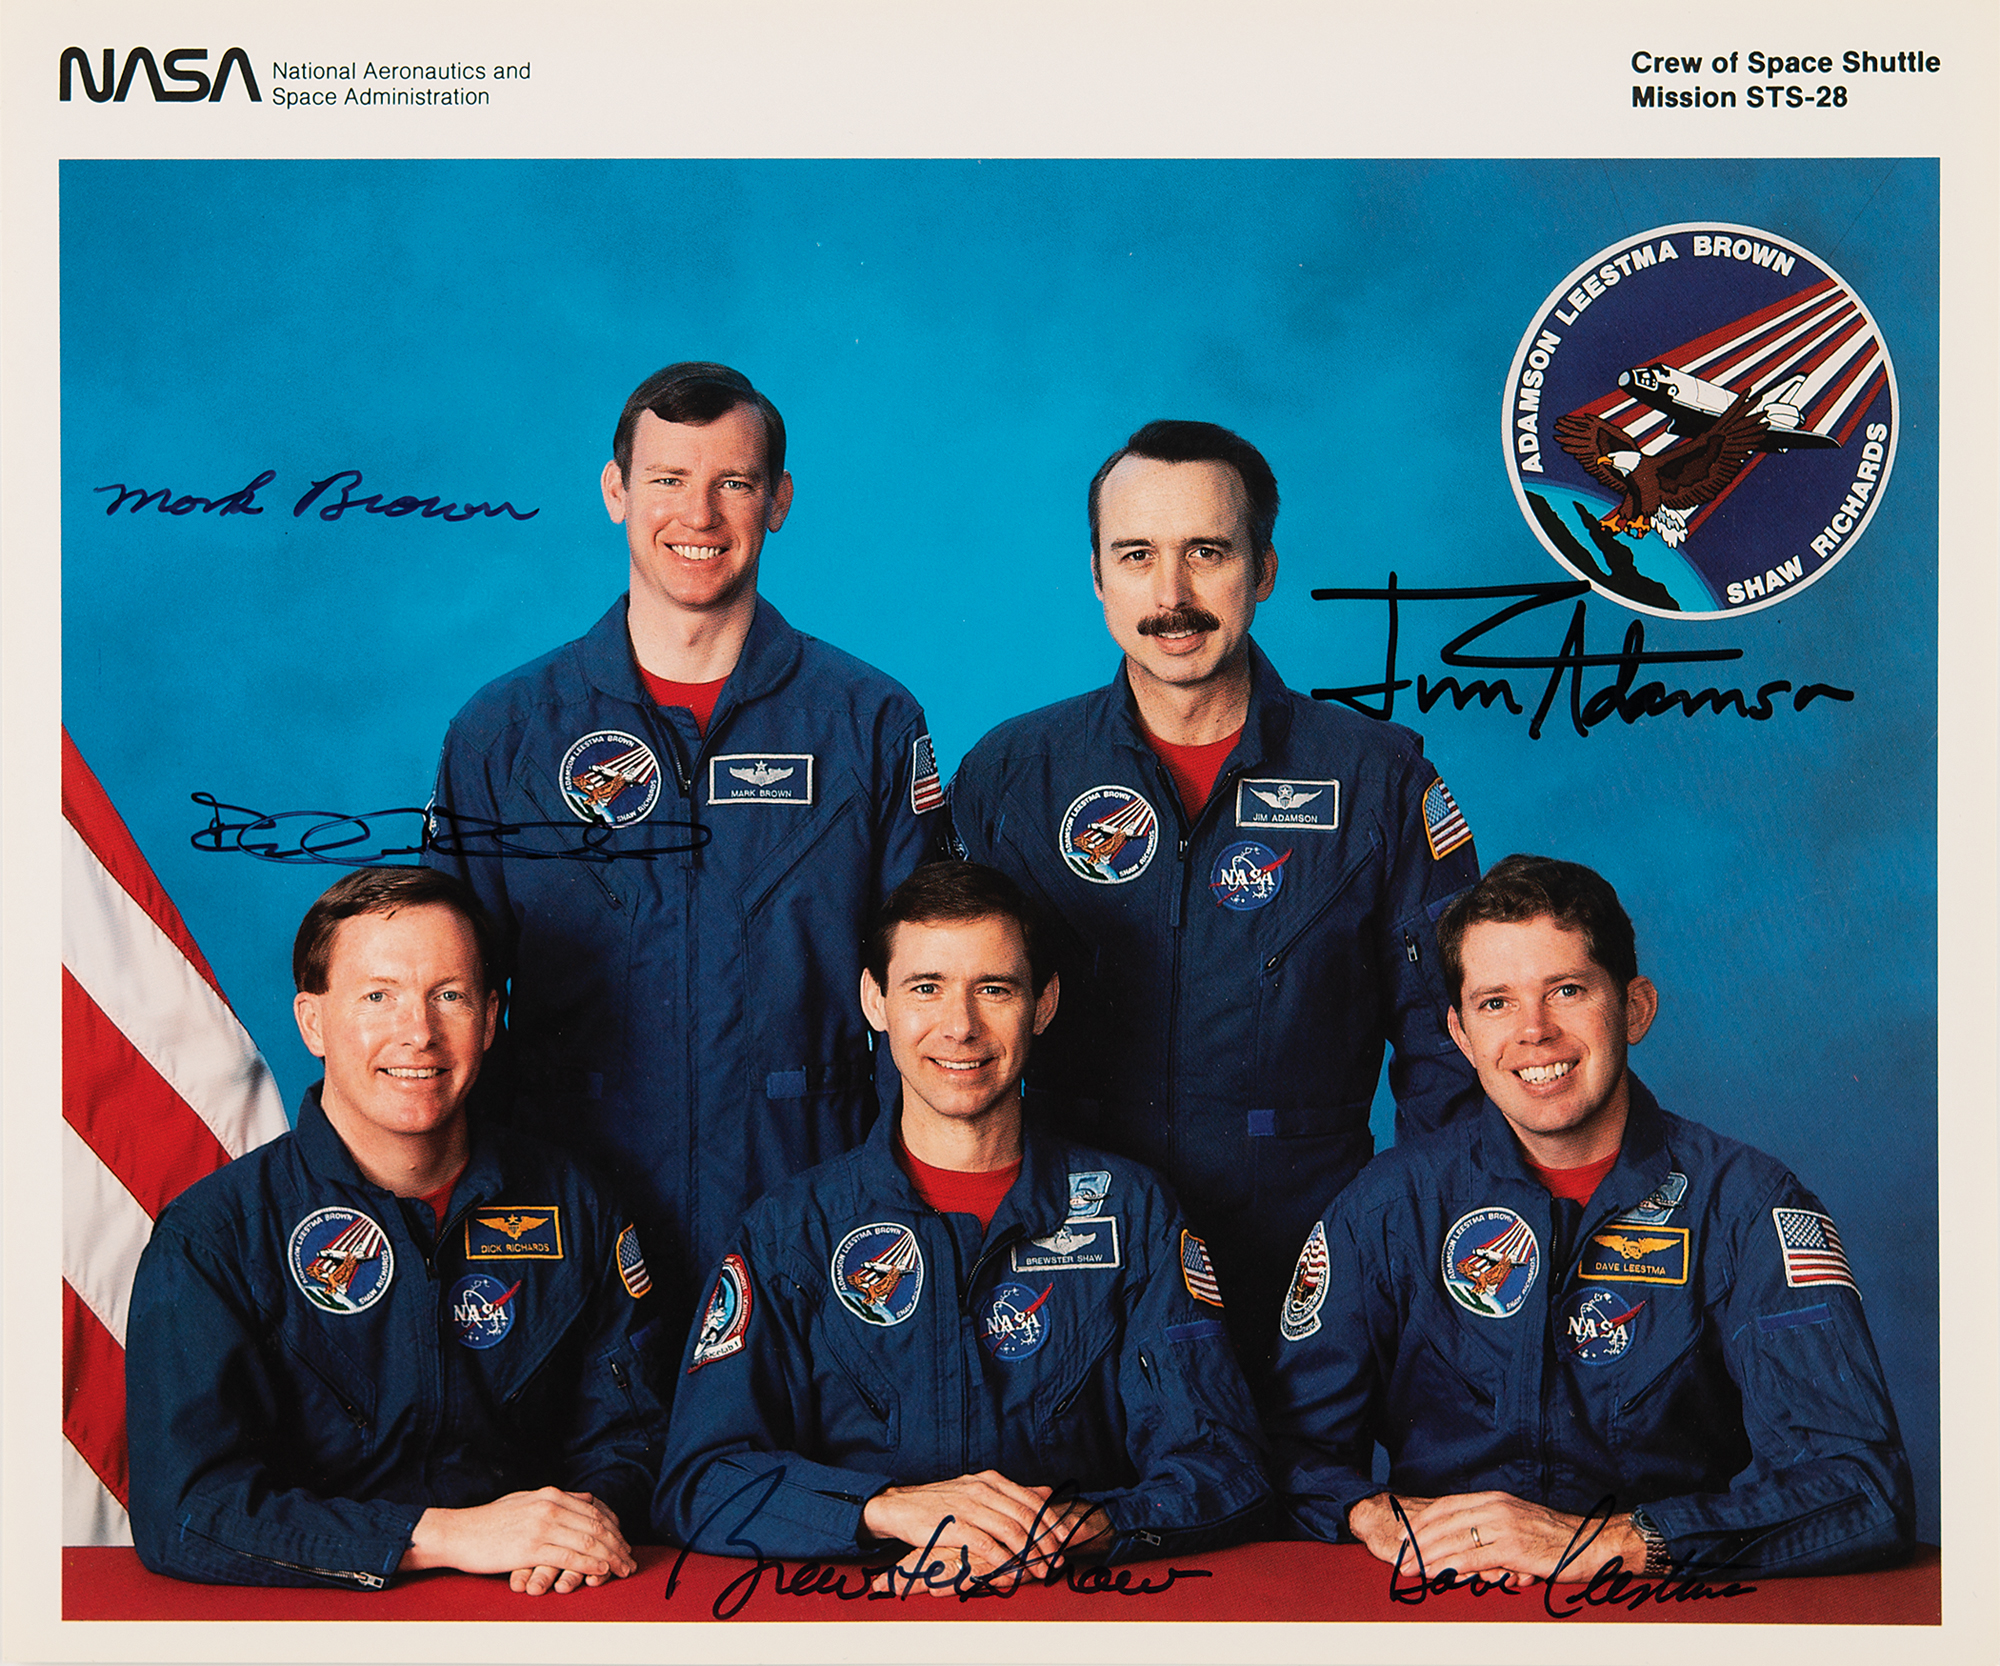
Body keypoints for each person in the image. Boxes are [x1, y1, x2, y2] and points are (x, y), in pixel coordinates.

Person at [948, 419, 1481, 1357]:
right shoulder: (1013, 776)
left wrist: (1411, 1260)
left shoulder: (1378, 782)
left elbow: (1453, 1051)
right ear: (1097, 576)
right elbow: (934, 1033)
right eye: (1137, 555)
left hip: (1310, 1274)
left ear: (1263, 569)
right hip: (1066, 1277)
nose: (1172, 596)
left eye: (1207, 552)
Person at [424, 362, 940, 1318]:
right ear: (615, 490)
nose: (698, 515)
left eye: (733, 483)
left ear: (778, 501)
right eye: (667, 479)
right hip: (564, 1229)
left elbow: (927, 993)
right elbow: (444, 997)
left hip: (807, 1216)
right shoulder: (507, 734)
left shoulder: (867, 723)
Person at [1264, 854, 1914, 1580]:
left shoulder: (1747, 1210)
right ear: (1460, 1035)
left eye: (1566, 991)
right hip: (1443, 1601)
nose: (1534, 1032)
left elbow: (1860, 1490)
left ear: (1634, 1009)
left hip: (1659, 1605)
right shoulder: (1388, 1210)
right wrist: (1369, 1514)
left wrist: (1611, 1542)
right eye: (1496, 1003)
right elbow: (1284, 1452)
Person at [654, 863, 1270, 1583]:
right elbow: (701, 1481)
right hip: (866, 1614)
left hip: (1071, 1604)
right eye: (926, 988)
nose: (960, 1027)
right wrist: (886, 1509)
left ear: (1043, 1004)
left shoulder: (1133, 1216)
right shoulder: (793, 1233)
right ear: (875, 1001)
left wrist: (1066, 1529)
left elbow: (1224, 1464)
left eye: (994, 989)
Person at [126, 868, 665, 1591]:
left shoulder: (577, 1207)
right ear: (313, 1023)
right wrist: (444, 1536)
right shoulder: (215, 1238)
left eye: (450, 996)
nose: (418, 1033)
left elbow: (632, 1439)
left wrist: (577, 1525)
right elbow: (186, 1513)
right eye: (378, 996)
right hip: (312, 1615)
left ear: (490, 1019)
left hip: (533, 1597)